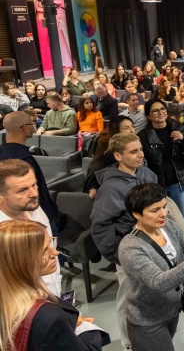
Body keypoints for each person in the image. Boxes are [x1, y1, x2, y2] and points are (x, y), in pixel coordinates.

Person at [118, 183, 184, 351]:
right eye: (155, 210)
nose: (163, 213)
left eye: (164, 206)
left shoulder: (168, 226)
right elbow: (158, 282)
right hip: (148, 322)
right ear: (136, 214)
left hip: (172, 311)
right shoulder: (130, 247)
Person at [91, 132, 158, 349]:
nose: (140, 154)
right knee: (128, 301)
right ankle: (129, 344)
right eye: (134, 151)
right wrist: (116, 255)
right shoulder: (110, 188)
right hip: (129, 253)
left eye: (140, 149)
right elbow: (100, 225)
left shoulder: (148, 174)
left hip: (152, 248)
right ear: (118, 156)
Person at [0, 219, 109, 350]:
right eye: (44, 251)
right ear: (22, 260)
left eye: (51, 244)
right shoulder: (49, 318)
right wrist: (87, 331)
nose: (55, 253)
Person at [0, 158, 62, 296]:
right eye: (22, 190)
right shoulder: (3, 235)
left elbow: (51, 253)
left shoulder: (35, 209)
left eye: (34, 185)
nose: (34, 194)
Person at [138, 99, 184, 234]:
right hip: (157, 185)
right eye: (155, 111)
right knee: (162, 225)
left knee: (183, 222)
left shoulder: (179, 127)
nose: (160, 113)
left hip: (179, 182)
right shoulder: (143, 136)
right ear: (148, 115)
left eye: (163, 109)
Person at [0, 113, 60, 235]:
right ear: (25, 128)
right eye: (32, 124)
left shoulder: (4, 152)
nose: (34, 127)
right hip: (31, 220)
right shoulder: (22, 159)